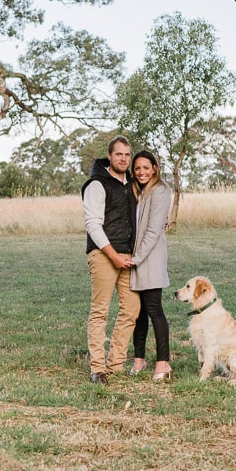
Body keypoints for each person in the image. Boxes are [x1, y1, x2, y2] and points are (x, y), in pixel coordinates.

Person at [80, 135, 140, 384]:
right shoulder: (97, 184)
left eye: (127, 154)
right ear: (110, 156)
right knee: (100, 311)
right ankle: (98, 368)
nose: (124, 159)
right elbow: (93, 224)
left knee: (131, 309)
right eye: (119, 154)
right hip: (104, 254)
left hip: (128, 255)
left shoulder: (133, 184)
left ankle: (115, 364)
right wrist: (113, 255)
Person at [125, 150, 174, 381]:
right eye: (137, 168)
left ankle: (163, 363)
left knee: (154, 309)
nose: (141, 172)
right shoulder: (139, 192)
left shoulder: (161, 190)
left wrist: (137, 257)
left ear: (155, 168)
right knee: (139, 312)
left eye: (146, 167)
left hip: (149, 258)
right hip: (137, 259)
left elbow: (154, 230)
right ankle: (139, 358)